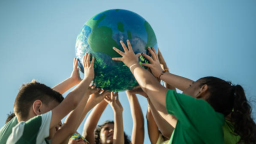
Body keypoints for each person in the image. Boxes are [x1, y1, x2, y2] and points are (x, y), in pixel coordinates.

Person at [112, 40, 256, 144]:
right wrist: (162, 74)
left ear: (202, 90)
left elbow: (151, 85)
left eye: (188, 88)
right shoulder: (220, 125)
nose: (184, 90)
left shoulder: (200, 112)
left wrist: (132, 63)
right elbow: (170, 114)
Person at [0, 53, 95, 144]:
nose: (60, 123)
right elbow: (69, 103)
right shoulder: (23, 132)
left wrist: (75, 82)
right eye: (56, 112)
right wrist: (87, 78)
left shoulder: (39, 140)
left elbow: (68, 129)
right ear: (38, 108)